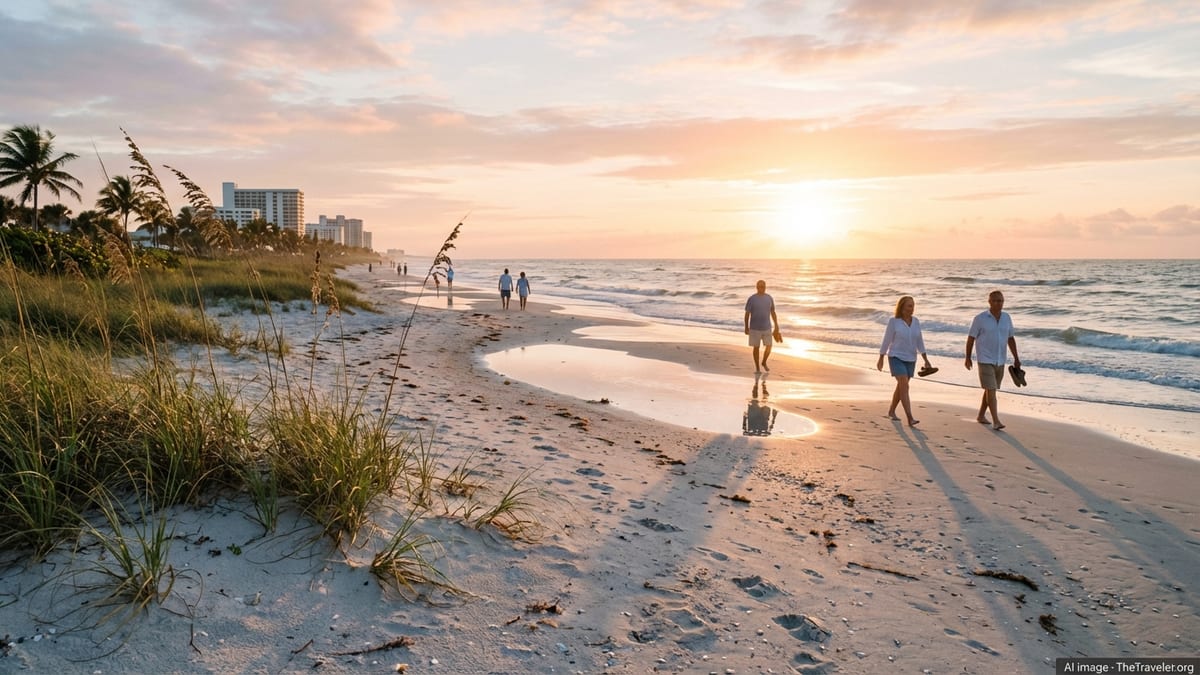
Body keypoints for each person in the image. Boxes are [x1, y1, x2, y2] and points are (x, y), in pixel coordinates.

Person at [965, 290, 1021, 430]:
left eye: (1001, 300)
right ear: (989, 302)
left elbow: (1010, 338)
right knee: (991, 389)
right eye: (995, 300)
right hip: (984, 358)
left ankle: (981, 415)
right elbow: (971, 338)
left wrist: (1016, 358)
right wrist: (967, 357)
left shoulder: (1007, 318)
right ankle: (996, 421)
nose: (998, 303)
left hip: (1000, 359)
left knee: (991, 389)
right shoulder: (980, 319)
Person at [876, 295, 933, 426]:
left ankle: (891, 410)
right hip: (896, 356)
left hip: (911, 358)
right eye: (909, 305)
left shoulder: (916, 322)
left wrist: (926, 359)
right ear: (902, 307)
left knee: (902, 386)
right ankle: (910, 417)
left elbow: (920, 341)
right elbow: (887, 340)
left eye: (913, 306)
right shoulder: (894, 322)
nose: (912, 308)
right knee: (904, 385)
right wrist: (881, 357)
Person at [744, 280, 780, 373]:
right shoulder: (752, 299)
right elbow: (747, 314)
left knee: (769, 346)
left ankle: (764, 362)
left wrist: (776, 325)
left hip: (767, 327)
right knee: (756, 348)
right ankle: (757, 368)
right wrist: (746, 327)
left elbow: (773, 312)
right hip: (754, 328)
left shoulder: (769, 298)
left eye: (763, 286)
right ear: (757, 287)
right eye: (760, 286)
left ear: (765, 287)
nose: (762, 288)